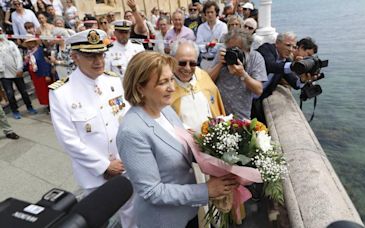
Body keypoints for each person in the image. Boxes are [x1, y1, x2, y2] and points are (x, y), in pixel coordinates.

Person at [117, 51, 238, 228]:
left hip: (187, 212)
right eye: (162, 82)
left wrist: (222, 155)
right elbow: (152, 191)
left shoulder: (165, 110)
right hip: (163, 221)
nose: (172, 88)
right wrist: (206, 190)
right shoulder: (131, 131)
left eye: (171, 79)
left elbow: (185, 145)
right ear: (139, 88)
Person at [48, 29, 134, 228]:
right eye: (90, 55)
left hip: (125, 166)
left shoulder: (113, 81)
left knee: (131, 215)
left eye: (101, 54)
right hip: (93, 175)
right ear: (75, 57)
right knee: (98, 221)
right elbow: (68, 141)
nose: (98, 61)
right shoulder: (62, 92)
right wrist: (104, 166)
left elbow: (127, 120)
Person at [208, 28, 267, 119]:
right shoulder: (223, 54)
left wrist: (243, 74)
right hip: (218, 115)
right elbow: (208, 81)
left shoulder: (255, 58)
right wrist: (220, 63)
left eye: (236, 50)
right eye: (230, 49)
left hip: (241, 117)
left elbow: (258, 90)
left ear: (247, 49)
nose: (232, 53)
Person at [170, 40, 225, 133]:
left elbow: (215, 109)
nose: (187, 68)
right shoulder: (164, 86)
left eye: (192, 63)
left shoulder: (203, 76)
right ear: (172, 60)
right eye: (182, 63)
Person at [0, 27, 37, 119]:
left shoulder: (11, 44)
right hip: (4, 75)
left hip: (17, 72)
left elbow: (18, 56)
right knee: (10, 94)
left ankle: (29, 107)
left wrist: (19, 68)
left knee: (23, 91)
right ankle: (15, 111)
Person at [196, 1, 227, 70]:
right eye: (208, 12)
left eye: (212, 12)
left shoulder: (223, 26)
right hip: (204, 62)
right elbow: (198, 45)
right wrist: (208, 45)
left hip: (218, 62)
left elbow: (223, 45)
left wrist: (207, 45)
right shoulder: (201, 27)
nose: (210, 14)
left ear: (216, 13)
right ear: (205, 14)